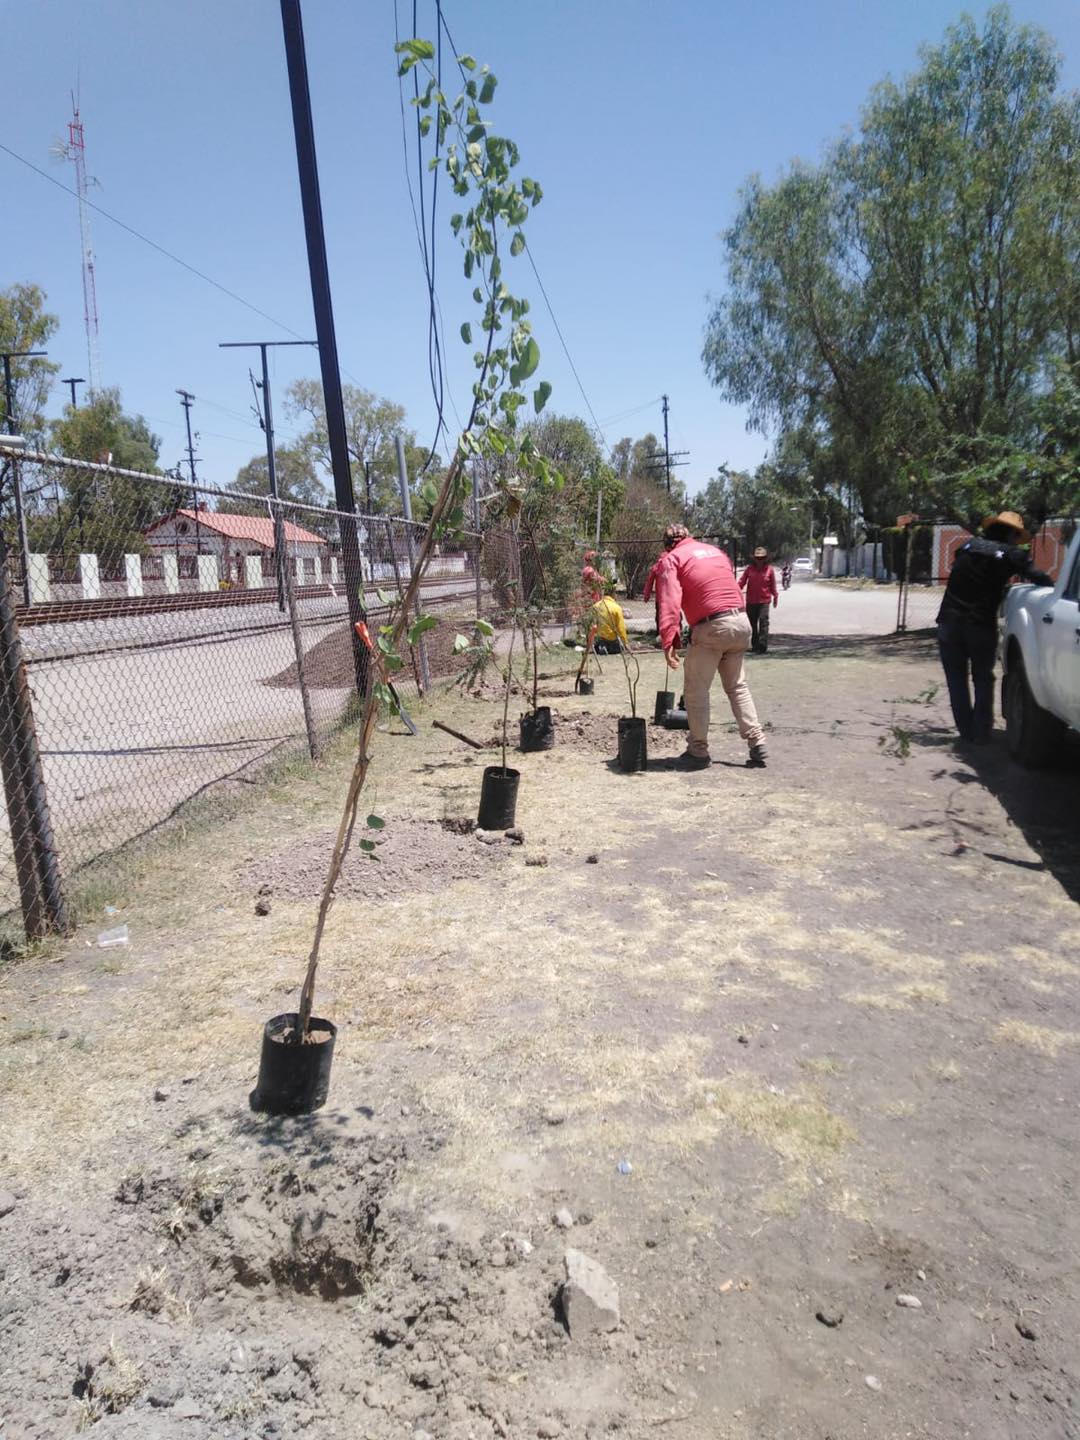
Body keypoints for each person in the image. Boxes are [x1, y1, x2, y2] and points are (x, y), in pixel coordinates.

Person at [654, 524, 768, 769]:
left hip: (713, 627)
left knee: (696, 689)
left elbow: (670, 601)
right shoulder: (715, 552)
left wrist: (668, 637)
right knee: (737, 686)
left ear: (667, 544)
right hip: (741, 621)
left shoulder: (672, 559)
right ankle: (757, 741)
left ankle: (698, 750)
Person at [937, 511, 1053, 744]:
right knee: (982, 678)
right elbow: (1040, 578)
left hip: (948, 621)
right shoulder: (1012, 554)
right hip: (979, 625)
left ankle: (967, 732)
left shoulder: (968, 546)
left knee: (956, 679)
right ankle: (980, 734)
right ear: (1011, 533)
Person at [738, 547, 779, 653]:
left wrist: (775, 597)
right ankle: (754, 645)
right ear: (754, 559)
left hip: (764, 601)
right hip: (751, 601)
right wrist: (735, 592)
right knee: (751, 623)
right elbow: (741, 582)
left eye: (762, 558)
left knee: (763, 622)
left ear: (765, 558)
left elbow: (773, 585)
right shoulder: (749, 569)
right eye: (757, 558)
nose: (759, 560)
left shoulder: (770, 570)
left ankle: (762, 645)